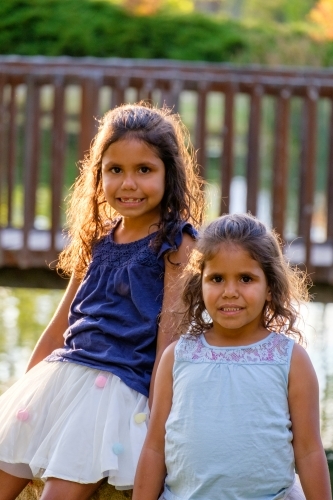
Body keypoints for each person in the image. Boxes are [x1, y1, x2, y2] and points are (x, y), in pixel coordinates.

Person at [0, 103, 205, 500]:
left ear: (170, 174)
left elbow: (170, 342)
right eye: (115, 170)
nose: (129, 183)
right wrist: (26, 391)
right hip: (63, 377)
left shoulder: (177, 243)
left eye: (144, 170)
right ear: (98, 176)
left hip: (117, 390)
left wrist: (159, 425)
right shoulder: (96, 239)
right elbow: (61, 326)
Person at [133, 213, 332, 500]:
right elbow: (154, 447)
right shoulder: (178, 357)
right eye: (216, 278)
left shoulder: (290, 360)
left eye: (246, 278)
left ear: (270, 287)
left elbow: (310, 451)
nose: (230, 292)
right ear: (199, 285)